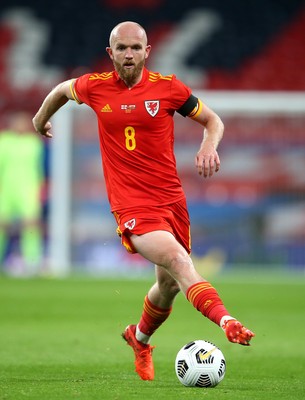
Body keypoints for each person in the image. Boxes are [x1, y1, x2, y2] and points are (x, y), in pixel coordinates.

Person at [32, 21, 255, 381]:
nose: (129, 54)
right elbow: (60, 90)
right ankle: (227, 321)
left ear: (147, 51)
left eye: (136, 47)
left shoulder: (168, 89)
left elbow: (213, 121)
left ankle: (139, 339)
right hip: (132, 206)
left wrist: (208, 145)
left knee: (168, 286)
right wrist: (40, 119)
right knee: (179, 262)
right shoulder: (94, 87)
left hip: (171, 202)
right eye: (122, 48)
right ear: (111, 53)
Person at [0, 111, 44, 275]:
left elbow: (39, 168)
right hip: (5, 189)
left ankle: (32, 263)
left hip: (28, 189)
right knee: (2, 225)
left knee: (31, 226)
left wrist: (39, 189)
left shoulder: (33, 142)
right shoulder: (4, 140)